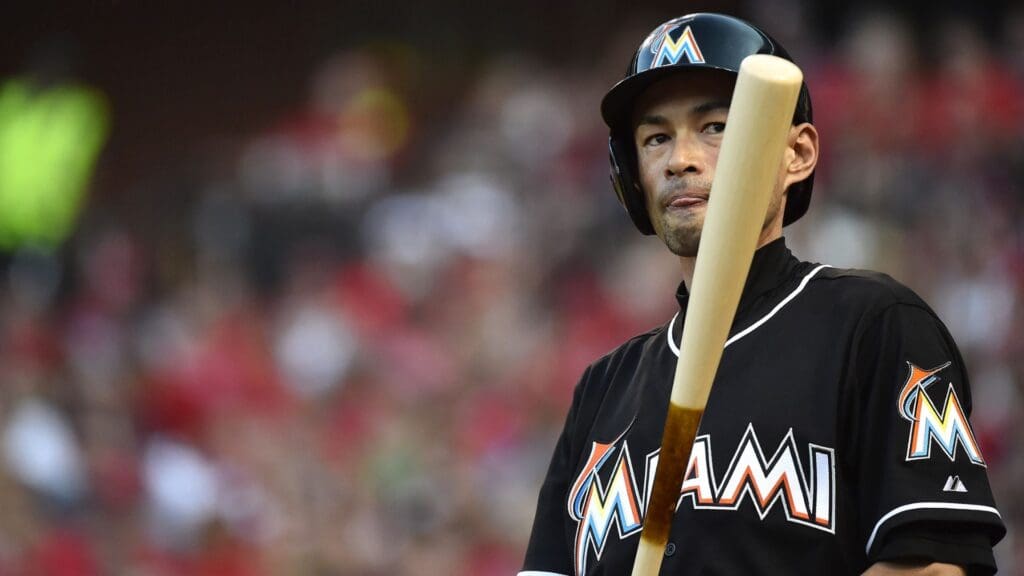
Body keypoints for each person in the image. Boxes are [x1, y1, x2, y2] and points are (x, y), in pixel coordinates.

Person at [520, 12, 1005, 576]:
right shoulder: (603, 390)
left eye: (716, 127)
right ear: (630, 176)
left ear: (796, 153)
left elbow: (936, 563)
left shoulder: (874, 327)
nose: (680, 159)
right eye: (656, 138)